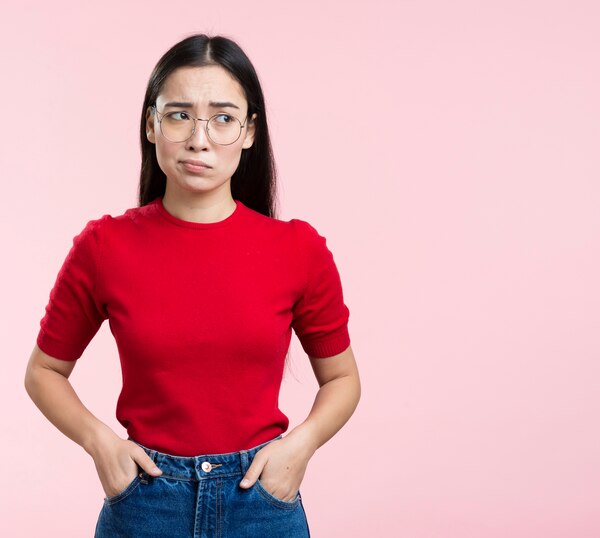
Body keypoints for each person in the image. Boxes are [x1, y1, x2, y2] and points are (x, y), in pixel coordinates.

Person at [23, 33, 361, 537]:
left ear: (249, 132)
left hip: (260, 503)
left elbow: (342, 379)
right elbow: (44, 371)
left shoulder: (298, 250)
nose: (199, 139)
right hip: (145, 503)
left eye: (223, 118)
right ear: (151, 125)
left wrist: (300, 447)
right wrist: (101, 444)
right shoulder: (105, 246)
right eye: (179, 114)